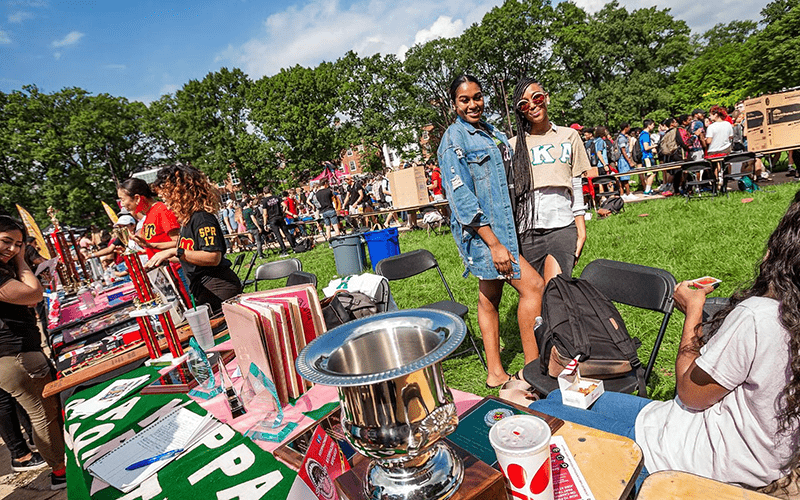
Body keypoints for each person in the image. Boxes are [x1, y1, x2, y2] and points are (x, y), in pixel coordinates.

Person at [530, 191, 800, 491]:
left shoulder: (760, 317)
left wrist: (693, 311)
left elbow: (689, 392)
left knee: (543, 416)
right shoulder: (787, 317)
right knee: (557, 399)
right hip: (702, 434)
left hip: (681, 460)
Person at [438, 75, 545, 389]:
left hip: (505, 228)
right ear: (454, 104)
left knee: (489, 299)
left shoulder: (490, 130)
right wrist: (495, 244)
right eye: (465, 99)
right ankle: (531, 370)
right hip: (487, 235)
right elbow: (462, 199)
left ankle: (495, 372)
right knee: (533, 287)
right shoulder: (453, 140)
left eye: (477, 97)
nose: (473, 104)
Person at [0, 215, 66, 489]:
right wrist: (20, 260)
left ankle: (59, 467)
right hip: (15, 355)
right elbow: (33, 293)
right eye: (6, 241)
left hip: (15, 352)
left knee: (42, 412)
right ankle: (60, 472)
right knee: (43, 414)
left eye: (17, 244)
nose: (13, 249)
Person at [508, 78, 591, 285]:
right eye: (524, 104)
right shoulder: (513, 145)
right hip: (527, 232)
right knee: (537, 292)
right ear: (520, 111)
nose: (533, 105)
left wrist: (581, 230)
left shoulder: (569, 135)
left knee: (558, 288)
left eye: (537, 97)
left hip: (562, 226)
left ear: (547, 98)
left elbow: (576, 183)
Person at [146, 165, 242, 314]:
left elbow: (213, 257)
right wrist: (165, 258)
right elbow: (192, 256)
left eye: (166, 194)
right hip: (203, 290)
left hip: (219, 289)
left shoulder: (202, 218)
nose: (164, 200)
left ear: (180, 193)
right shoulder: (187, 221)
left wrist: (174, 251)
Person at [261, 187, 297, 256]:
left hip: (272, 219)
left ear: (264, 193)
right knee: (286, 232)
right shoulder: (276, 197)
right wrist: (282, 212)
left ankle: (284, 251)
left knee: (278, 235)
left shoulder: (265, 201)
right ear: (270, 191)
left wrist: (265, 224)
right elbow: (285, 205)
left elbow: (265, 214)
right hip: (280, 217)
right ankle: (294, 247)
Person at [638, 119, 657, 195]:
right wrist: (654, 146)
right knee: (652, 173)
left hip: (645, 156)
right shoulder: (645, 135)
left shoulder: (642, 134)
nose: (653, 126)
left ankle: (648, 188)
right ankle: (647, 190)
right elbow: (646, 147)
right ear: (648, 125)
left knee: (648, 174)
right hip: (647, 157)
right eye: (652, 125)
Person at [616, 124, 635, 200]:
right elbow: (623, 151)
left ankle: (623, 193)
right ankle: (627, 193)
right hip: (623, 160)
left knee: (624, 177)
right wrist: (629, 161)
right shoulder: (621, 138)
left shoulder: (623, 137)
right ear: (625, 128)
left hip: (624, 159)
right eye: (628, 127)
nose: (629, 128)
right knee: (625, 177)